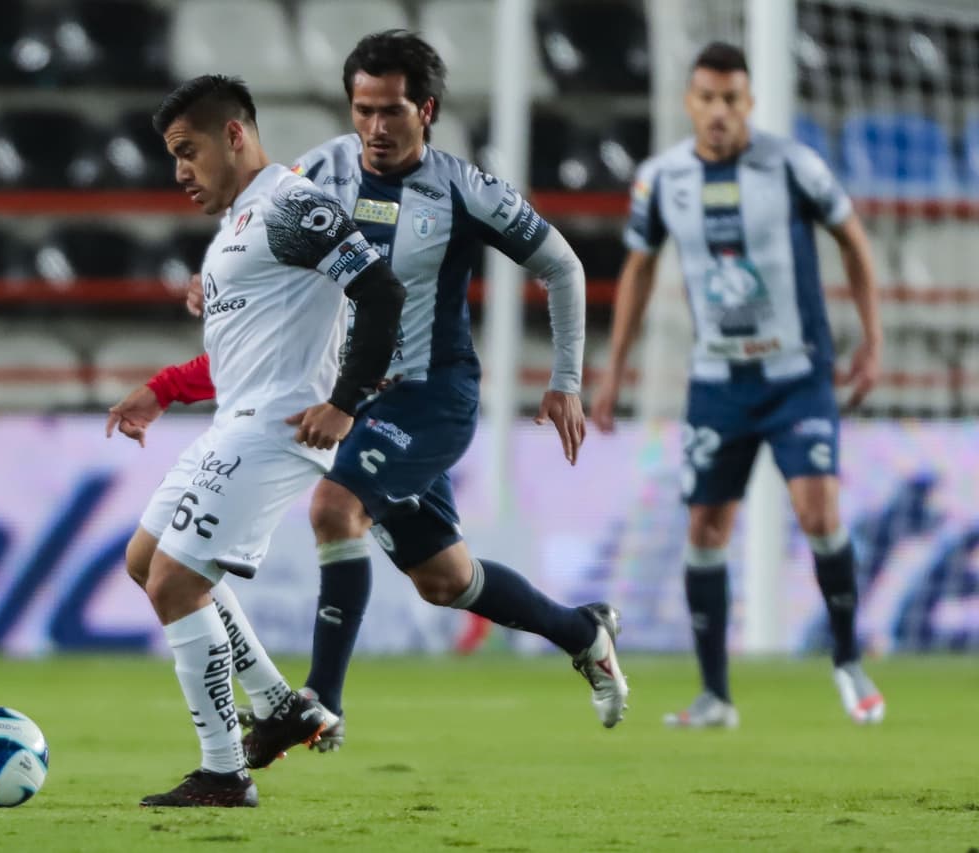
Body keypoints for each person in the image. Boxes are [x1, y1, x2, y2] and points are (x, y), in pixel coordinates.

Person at [112, 30, 630, 768]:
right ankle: (584, 633)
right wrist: (215, 281)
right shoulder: (319, 169)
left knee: (334, 507)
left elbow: (563, 266)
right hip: (352, 391)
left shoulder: (464, 189)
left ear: (428, 109)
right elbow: (259, 234)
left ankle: (318, 703)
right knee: (445, 579)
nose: (376, 128)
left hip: (427, 394)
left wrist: (566, 379)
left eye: (392, 111)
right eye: (363, 110)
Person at [111, 73, 405, 807]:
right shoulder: (237, 227)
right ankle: (279, 703)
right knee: (144, 562)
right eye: (172, 155)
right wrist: (164, 387)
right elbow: (250, 349)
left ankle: (223, 772)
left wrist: (344, 402)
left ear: (235, 135)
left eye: (189, 151)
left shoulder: (291, 205)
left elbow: (380, 291)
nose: (180, 170)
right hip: (233, 421)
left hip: (277, 429)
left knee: (179, 581)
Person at [590, 42, 886, 728]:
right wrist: (613, 371)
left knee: (818, 511)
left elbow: (855, 244)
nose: (719, 111)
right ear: (689, 101)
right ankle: (715, 695)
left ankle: (847, 660)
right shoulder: (662, 179)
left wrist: (872, 341)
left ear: (750, 102)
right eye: (707, 98)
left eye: (732, 99)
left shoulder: (792, 165)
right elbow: (637, 270)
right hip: (718, 384)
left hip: (795, 376)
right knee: (706, 527)